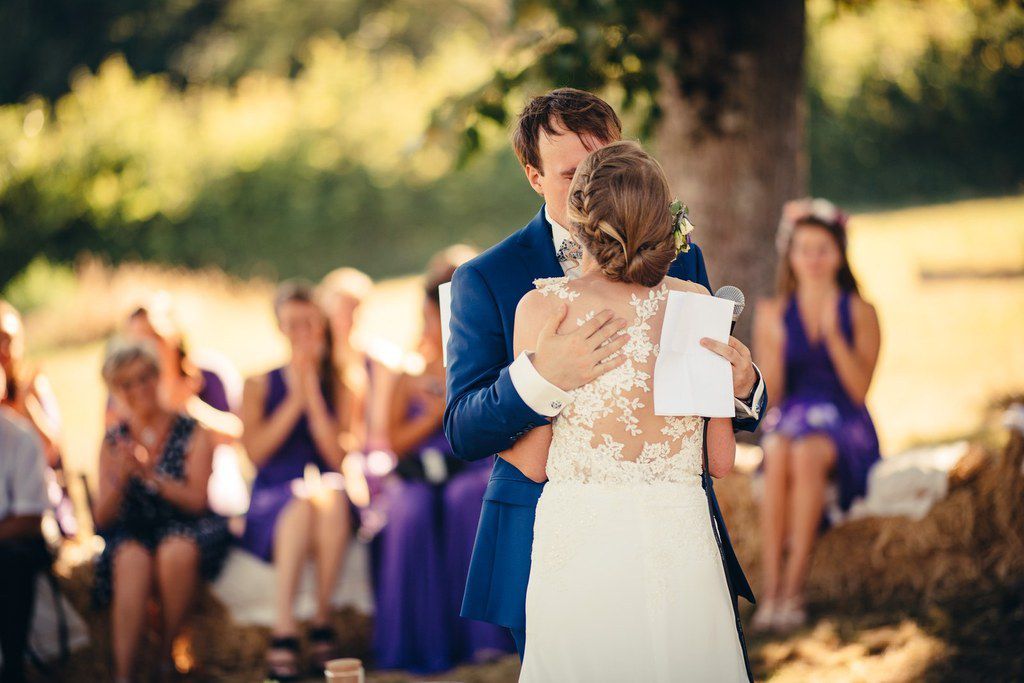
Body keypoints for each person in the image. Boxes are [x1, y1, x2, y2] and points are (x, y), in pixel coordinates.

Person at [444, 88, 766, 670]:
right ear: (534, 176)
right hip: (556, 539)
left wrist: (744, 388)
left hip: (677, 536)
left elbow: (705, 409)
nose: (604, 187)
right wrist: (541, 379)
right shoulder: (487, 279)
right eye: (573, 173)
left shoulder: (681, 259)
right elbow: (463, 429)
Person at [501, 140, 747, 680]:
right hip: (680, 540)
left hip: (583, 544)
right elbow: (722, 461)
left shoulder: (545, 308)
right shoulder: (700, 305)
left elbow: (533, 463)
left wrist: (529, 391)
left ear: (578, 215)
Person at [372, 247, 513, 673]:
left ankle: (483, 638)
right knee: (409, 512)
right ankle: (417, 646)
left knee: (466, 499)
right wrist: (433, 416)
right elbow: (392, 443)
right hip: (417, 473)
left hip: (468, 465)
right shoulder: (407, 374)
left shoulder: (480, 366)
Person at [750, 198, 882, 633]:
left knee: (805, 451)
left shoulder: (861, 311)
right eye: (803, 248)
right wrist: (777, 341)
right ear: (790, 254)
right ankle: (769, 592)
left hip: (843, 419)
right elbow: (774, 393)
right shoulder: (773, 312)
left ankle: (793, 589)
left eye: (822, 248)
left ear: (839, 254)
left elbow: (858, 390)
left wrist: (832, 335)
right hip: (793, 414)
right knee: (779, 443)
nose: (812, 258)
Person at [239, 281, 356, 680]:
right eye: (292, 324)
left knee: (330, 494)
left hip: (326, 487)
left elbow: (339, 457)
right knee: (304, 499)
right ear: (280, 328)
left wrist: (314, 395)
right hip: (275, 491)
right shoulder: (257, 384)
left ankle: (321, 618)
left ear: (321, 326)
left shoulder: (342, 380)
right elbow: (256, 453)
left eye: (309, 322)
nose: (302, 332)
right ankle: (284, 626)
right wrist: (295, 399)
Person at [92, 342, 230, 683]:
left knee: (175, 549)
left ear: (158, 376)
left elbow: (197, 501)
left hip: (186, 526)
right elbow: (101, 518)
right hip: (134, 530)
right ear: (116, 391)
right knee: (130, 558)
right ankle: (124, 674)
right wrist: (123, 477)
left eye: (145, 378)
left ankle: (167, 659)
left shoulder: (192, 429)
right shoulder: (113, 440)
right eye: (128, 384)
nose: (140, 389)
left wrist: (150, 475)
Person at [0, 300, 75, 537]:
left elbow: (52, 452)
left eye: (8, 340)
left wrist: (26, 407)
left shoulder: (34, 388)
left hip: (36, 502)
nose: (3, 349)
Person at [0, 364, 52, 683]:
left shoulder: (20, 438)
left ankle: (13, 667)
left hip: (10, 543)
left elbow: (30, 517)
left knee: (14, 559)